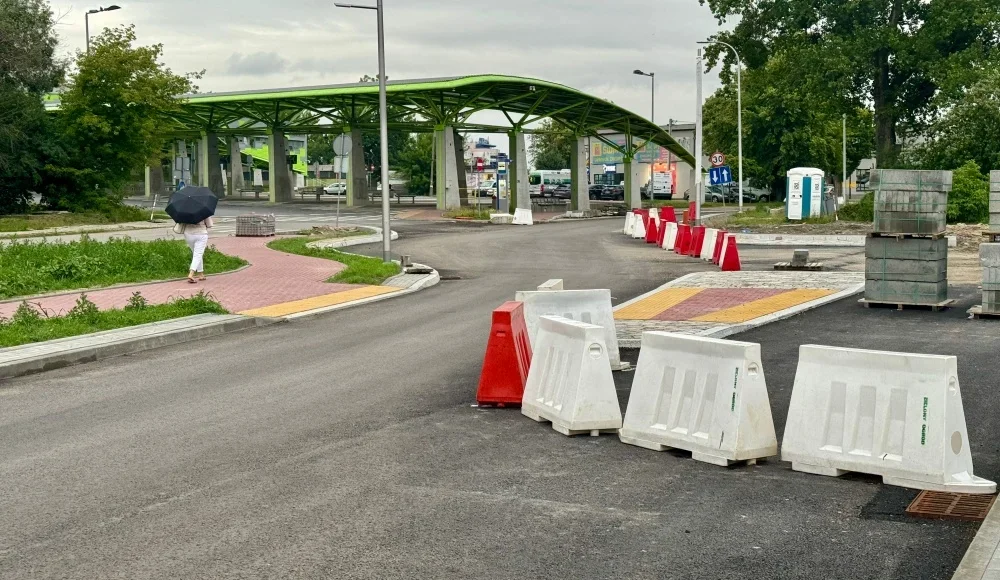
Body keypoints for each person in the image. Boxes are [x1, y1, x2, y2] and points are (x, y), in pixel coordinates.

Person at [184, 216, 213, 283]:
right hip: (201, 233)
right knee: (198, 254)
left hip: (188, 233)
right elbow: (209, 224)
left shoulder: (185, 208)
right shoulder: (204, 210)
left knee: (196, 253)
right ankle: (191, 274)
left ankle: (200, 274)